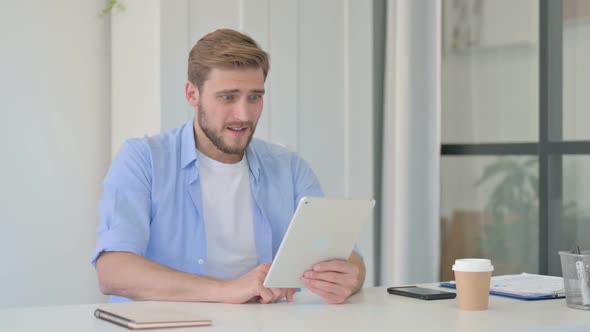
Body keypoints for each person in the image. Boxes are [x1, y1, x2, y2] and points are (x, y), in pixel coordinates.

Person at [92, 29, 365, 305]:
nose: (244, 115)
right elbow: (113, 271)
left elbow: (349, 258)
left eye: (254, 97)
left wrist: (347, 278)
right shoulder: (144, 160)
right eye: (228, 97)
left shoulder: (289, 168)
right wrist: (225, 290)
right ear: (192, 94)